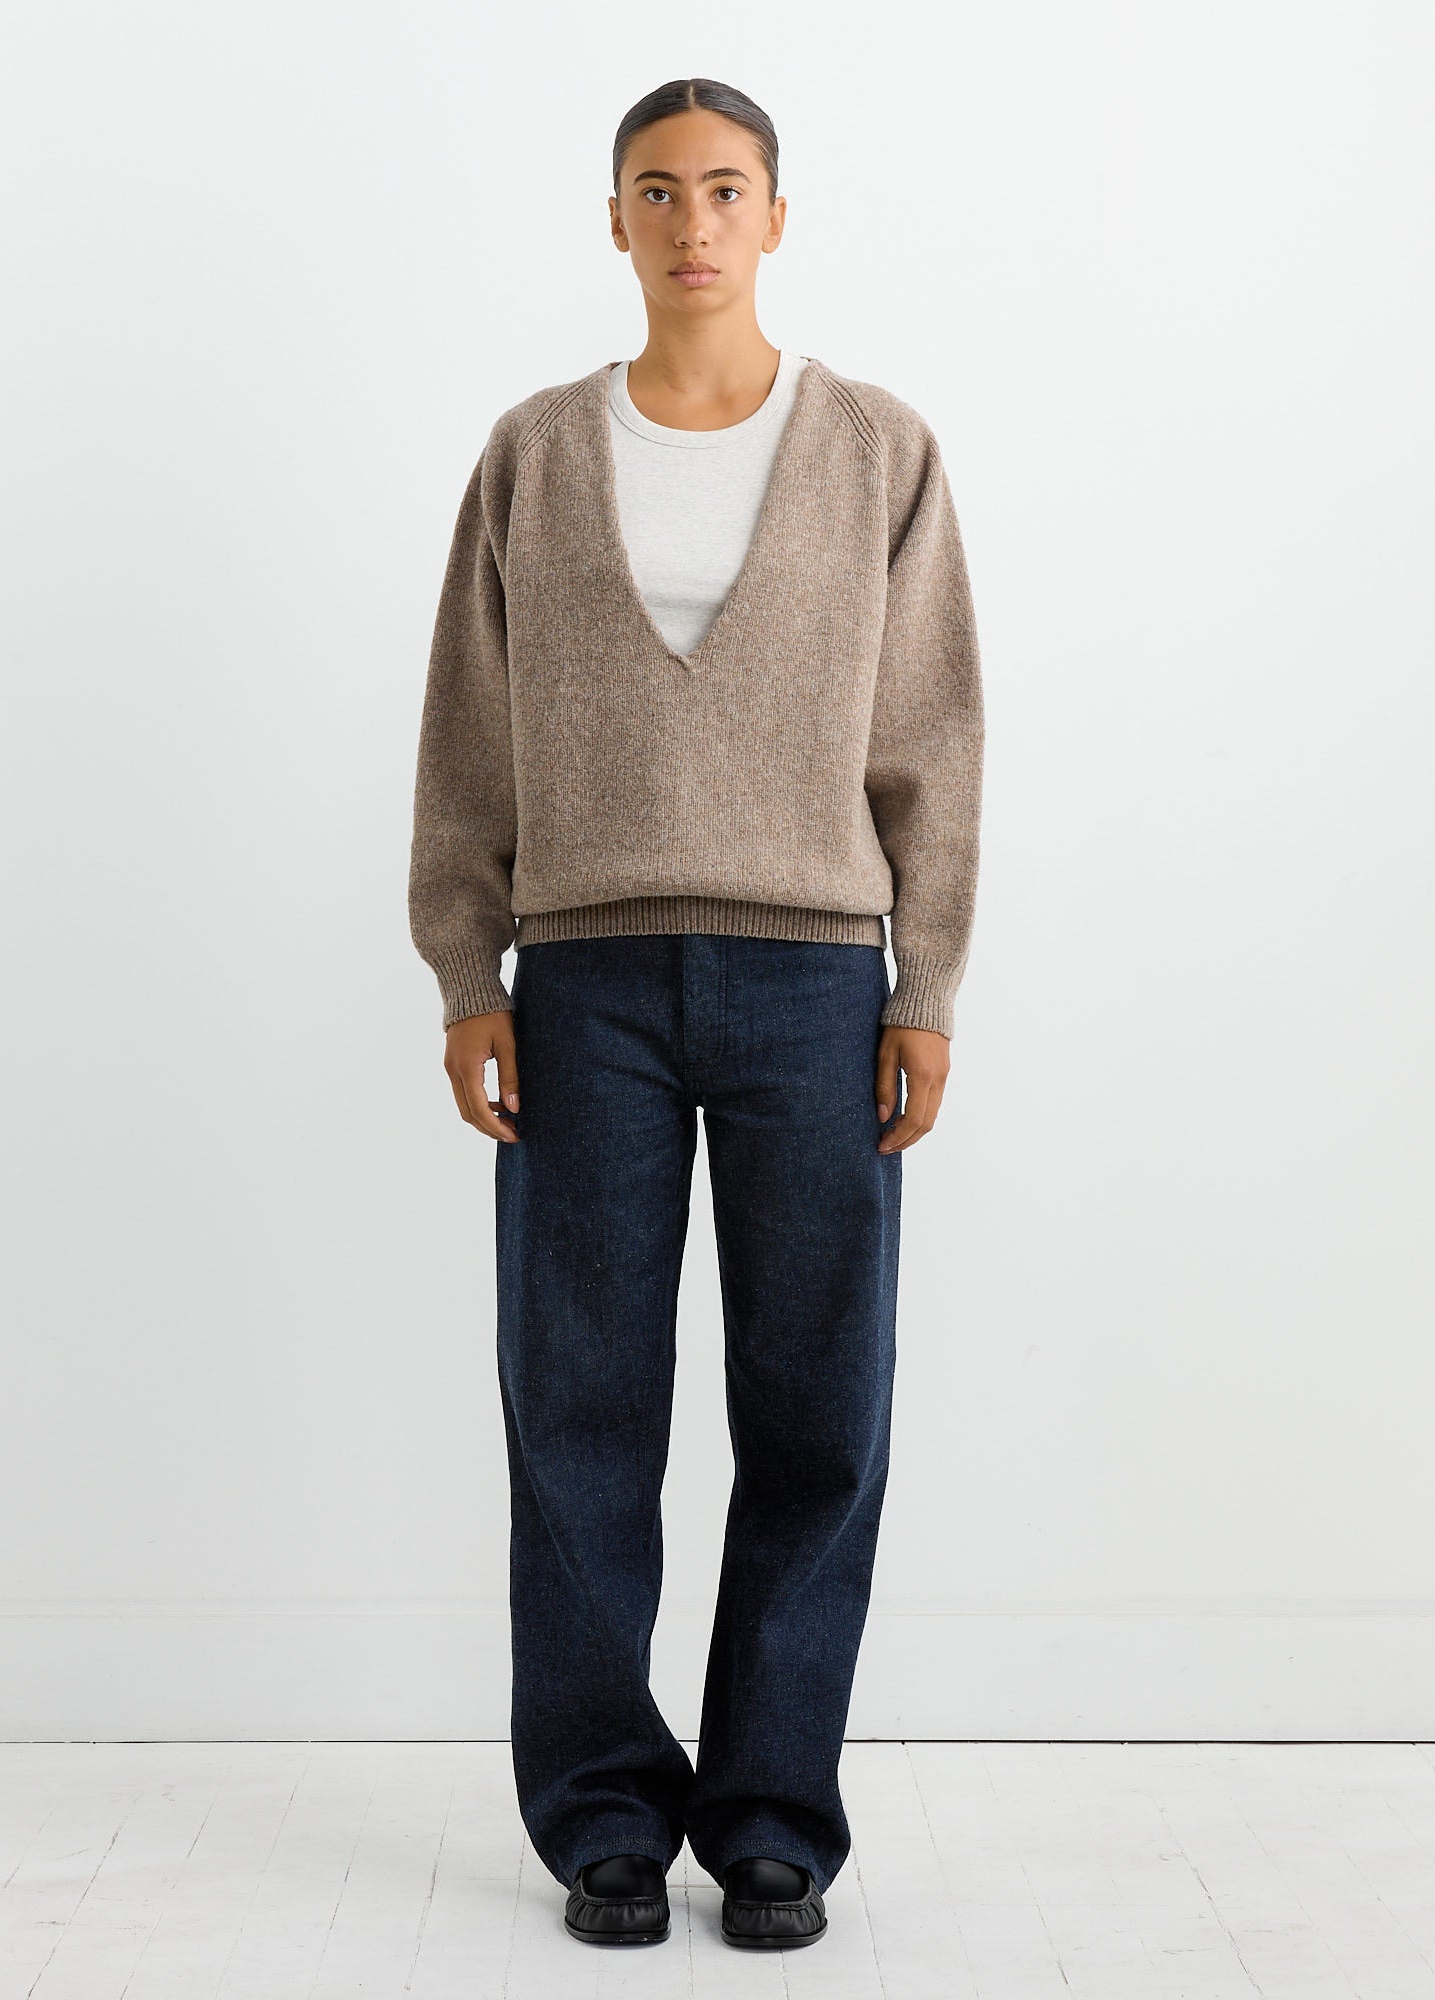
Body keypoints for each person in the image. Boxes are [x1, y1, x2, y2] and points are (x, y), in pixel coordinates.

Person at [407, 75, 984, 1953]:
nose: (693, 223)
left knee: (819, 1407)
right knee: (578, 1406)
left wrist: (928, 984)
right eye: (657, 191)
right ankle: (600, 1815)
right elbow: (469, 731)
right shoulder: (533, 453)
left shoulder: (877, 449)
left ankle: (770, 1820)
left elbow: (931, 736)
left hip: (819, 984)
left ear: (777, 216)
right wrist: (465, 970)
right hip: (584, 986)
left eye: (726, 189)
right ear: (616, 219)